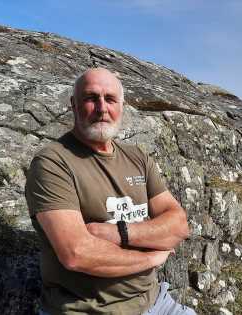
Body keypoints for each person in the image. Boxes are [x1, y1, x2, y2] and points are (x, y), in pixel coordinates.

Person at [25, 68, 195, 315]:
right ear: (74, 104)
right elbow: (76, 253)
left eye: (110, 99)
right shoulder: (53, 163)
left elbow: (178, 225)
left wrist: (117, 233)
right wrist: (150, 259)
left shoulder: (137, 157)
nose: (102, 108)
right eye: (91, 98)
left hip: (156, 303)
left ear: (121, 106)